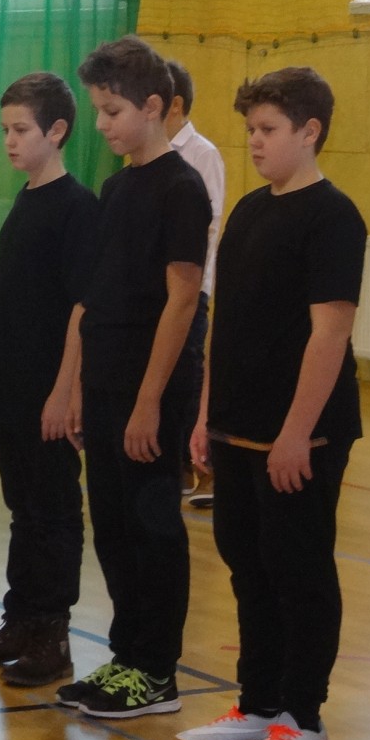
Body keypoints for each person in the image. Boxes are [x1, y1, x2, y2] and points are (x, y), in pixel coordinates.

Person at [174, 67, 366, 740]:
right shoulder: (250, 211)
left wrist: (295, 433)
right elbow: (224, 324)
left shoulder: (334, 217)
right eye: (250, 129)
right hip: (236, 426)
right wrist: (206, 415)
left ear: (310, 131)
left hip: (302, 433)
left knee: (298, 569)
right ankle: (257, 704)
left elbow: (329, 334)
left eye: (269, 129)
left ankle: (303, 719)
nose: (255, 141)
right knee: (247, 564)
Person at [60, 36, 211, 719]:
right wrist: (81, 388)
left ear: (152, 107)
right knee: (114, 525)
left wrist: (149, 402)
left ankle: (157, 672)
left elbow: (181, 300)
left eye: (112, 110)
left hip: (151, 390)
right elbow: (99, 298)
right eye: (97, 109)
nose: (101, 124)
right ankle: (126, 658)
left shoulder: (181, 188)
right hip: (107, 381)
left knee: (152, 528)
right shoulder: (117, 187)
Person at [0, 73, 98, 687]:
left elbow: (83, 308)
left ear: (57, 131)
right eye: (5, 130)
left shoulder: (77, 207)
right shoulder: (26, 198)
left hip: (48, 391)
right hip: (12, 385)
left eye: (21, 130)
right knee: (23, 509)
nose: (9, 141)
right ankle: (20, 621)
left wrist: (65, 393)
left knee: (54, 510)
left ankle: (52, 635)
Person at [163, 59, 226, 510]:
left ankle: (204, 467)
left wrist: (197, 285)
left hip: (191, 285)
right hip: (160, 288)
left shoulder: (202, 153)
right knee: (166, 375)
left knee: (188, 373)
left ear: (175, 104)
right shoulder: (151, 153)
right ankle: (175, 465)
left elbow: (210, 222)